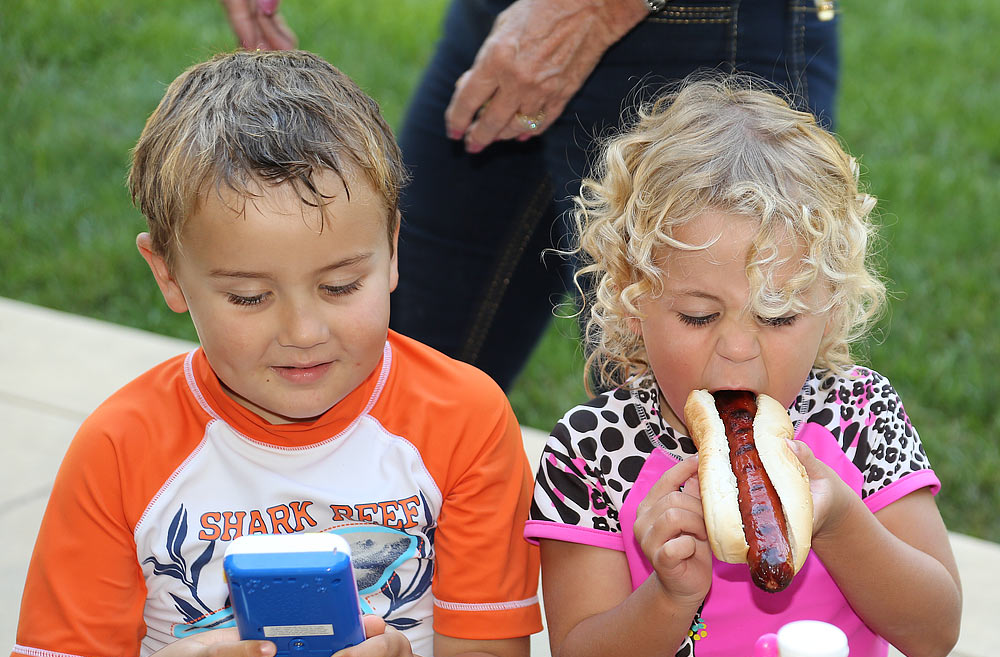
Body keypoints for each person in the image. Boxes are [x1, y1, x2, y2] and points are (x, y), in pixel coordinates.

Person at [4, 49, 542, 657]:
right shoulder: (122, 445)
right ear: (168, 274)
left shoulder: (464, 417)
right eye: (250, 297)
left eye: (340, 284)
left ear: (391, 246)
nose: (303, 329)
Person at [524, 76, 962, 657]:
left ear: (831, 306)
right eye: (700, 315)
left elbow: (935, 629)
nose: (738, 350)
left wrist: (841, 521)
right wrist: (668, 591)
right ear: (635, 301)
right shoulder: (590, 452)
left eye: (779, 316)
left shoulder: (858, 417)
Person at [218, 0, 841, 391]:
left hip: (701, 24)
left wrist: (591, 9)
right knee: (401, 376)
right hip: (502, 15)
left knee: (686, 411)